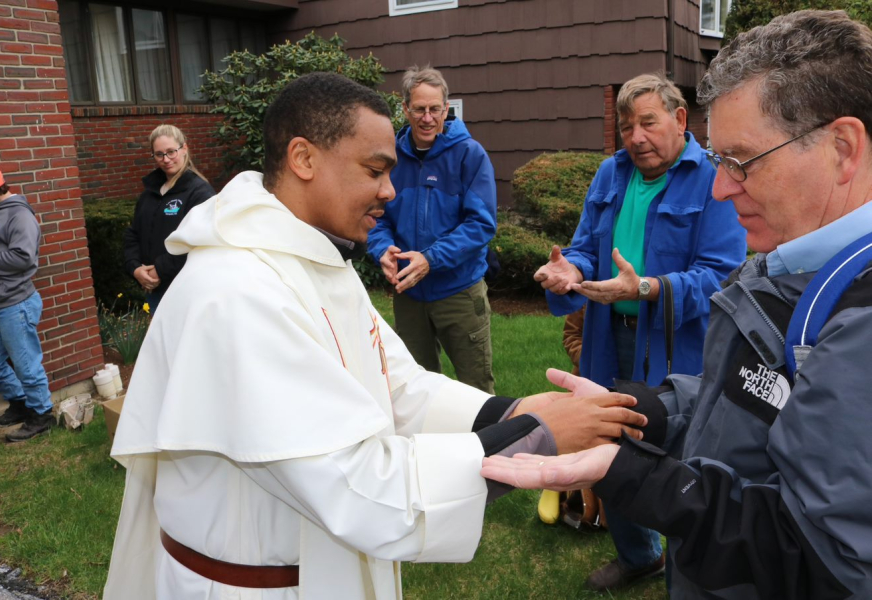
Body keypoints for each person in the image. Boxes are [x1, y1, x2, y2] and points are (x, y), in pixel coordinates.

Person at [102, 72, 649, 600]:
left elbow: (397, 384)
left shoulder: (313, 256)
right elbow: (359, 488)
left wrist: (513, 410)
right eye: (374, 170)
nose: (391, 190)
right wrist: (537, 434)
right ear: (303, 158)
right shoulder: (237, 291)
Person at [483, 10, 872, 599]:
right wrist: (651, 410)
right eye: (719, 161)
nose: (720, 187)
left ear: (843, 148)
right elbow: (747, 398)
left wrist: (650, 483)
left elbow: (822, 561)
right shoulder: (792, 257)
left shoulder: (856, 319)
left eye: (741, 161)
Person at [533, 73, 747, 591]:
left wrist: (649, 287)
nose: (635, 137)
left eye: (648, 123)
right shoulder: (610, 174)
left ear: (679, 120)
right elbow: (586, 246)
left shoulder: (714, 180)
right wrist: (572, 271)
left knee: (682, 458)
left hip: (681, 345)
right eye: (627, 126)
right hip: (609, 338)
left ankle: (687, 570)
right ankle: (638, 556)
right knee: (608, 441)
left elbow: (722, 274)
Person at [367, 66, 497, 394]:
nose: (427, 118)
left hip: (459, 292)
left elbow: (481, 224)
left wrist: (431, 259)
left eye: (435, 109)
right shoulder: (390, 158)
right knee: (413, 389)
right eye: (419, 109)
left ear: (446, 109)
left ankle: (489, 446)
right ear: (405, 108)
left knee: (477, 389)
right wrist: (381, 248)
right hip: (409, 296)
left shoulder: (470, 155)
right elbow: (375, 216)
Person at [0, 157, 54, 442]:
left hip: (15, 304)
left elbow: (23, 257)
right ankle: (19, 403)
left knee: (27, 365)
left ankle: (42, 415)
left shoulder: (19, 215)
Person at [122, 124, 215, 312]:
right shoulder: (150, 192)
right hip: (155, 290)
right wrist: (135, 269)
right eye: (159, 154)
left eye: (171, 152)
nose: (166, 159)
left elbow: (198, 242)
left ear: (184, 149)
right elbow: (134, 233)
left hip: (186, 291)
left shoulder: (200, 193)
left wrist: (159, 270)